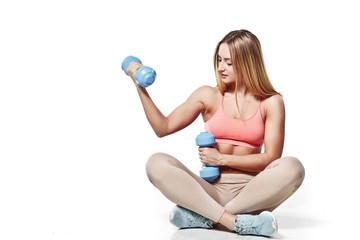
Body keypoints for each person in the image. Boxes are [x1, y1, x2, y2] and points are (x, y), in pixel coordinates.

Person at [125, 29, 305, 237]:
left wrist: (220, 158)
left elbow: (271, 159)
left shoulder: (271, 102)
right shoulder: (208, 95)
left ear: (248, 62)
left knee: (294, 167)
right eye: (219, 60)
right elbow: (162, 127)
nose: (220, 67)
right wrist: (139, 86)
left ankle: (204, 218)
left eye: (228, 62)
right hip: (209, 191)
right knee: (156, 162)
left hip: (252, 192)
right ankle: (235, 222)